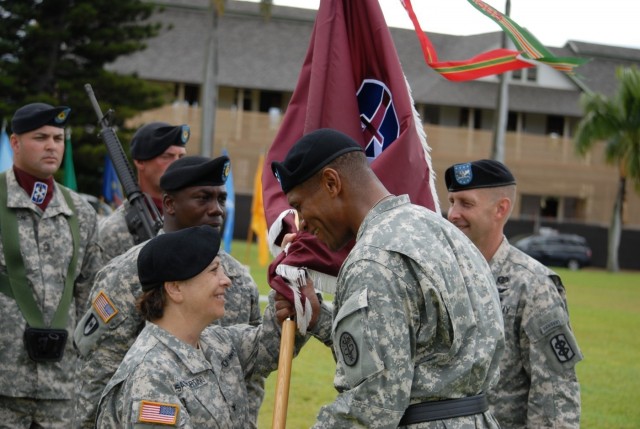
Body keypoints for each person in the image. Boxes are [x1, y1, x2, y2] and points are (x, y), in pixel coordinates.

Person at [270, 128, 505, 428]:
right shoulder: (440, 229)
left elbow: (372, 406)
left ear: (331, 183)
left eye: (300, 206)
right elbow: (419, 347)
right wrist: (320, 320)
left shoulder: (373, 259)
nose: (301, 223)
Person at [73, 155, 263, 428]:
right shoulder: (127, 274)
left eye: (221, 199)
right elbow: (98, 372)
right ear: (170, 204)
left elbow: (251, 376)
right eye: (203, 198)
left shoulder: (238, 278)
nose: (217, 210)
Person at [96, 225, 322, 428]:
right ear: (175, 288)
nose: (227, 280)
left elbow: (272, 343)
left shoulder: (216, 343)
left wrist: (291, 280)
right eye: (214, 271)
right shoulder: (151, 378)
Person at [445, 159, 583, 428]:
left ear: (501, 209)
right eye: (451, 202)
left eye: (466, 203)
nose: (452, 214)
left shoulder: (533, 285)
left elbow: (555, 394)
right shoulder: (444, 275)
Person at [0, 103, 103, 428]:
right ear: (15, 143)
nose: (51, 146)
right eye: (40, 137)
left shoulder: (81, 213)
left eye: (58, 138)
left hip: (61, 386)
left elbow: (90, 296)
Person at [98, 121, 189, 262]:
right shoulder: (114, 230)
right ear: (140, 162)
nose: (177, 164)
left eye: (181, 157)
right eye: (167, 156)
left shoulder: (190, 217)